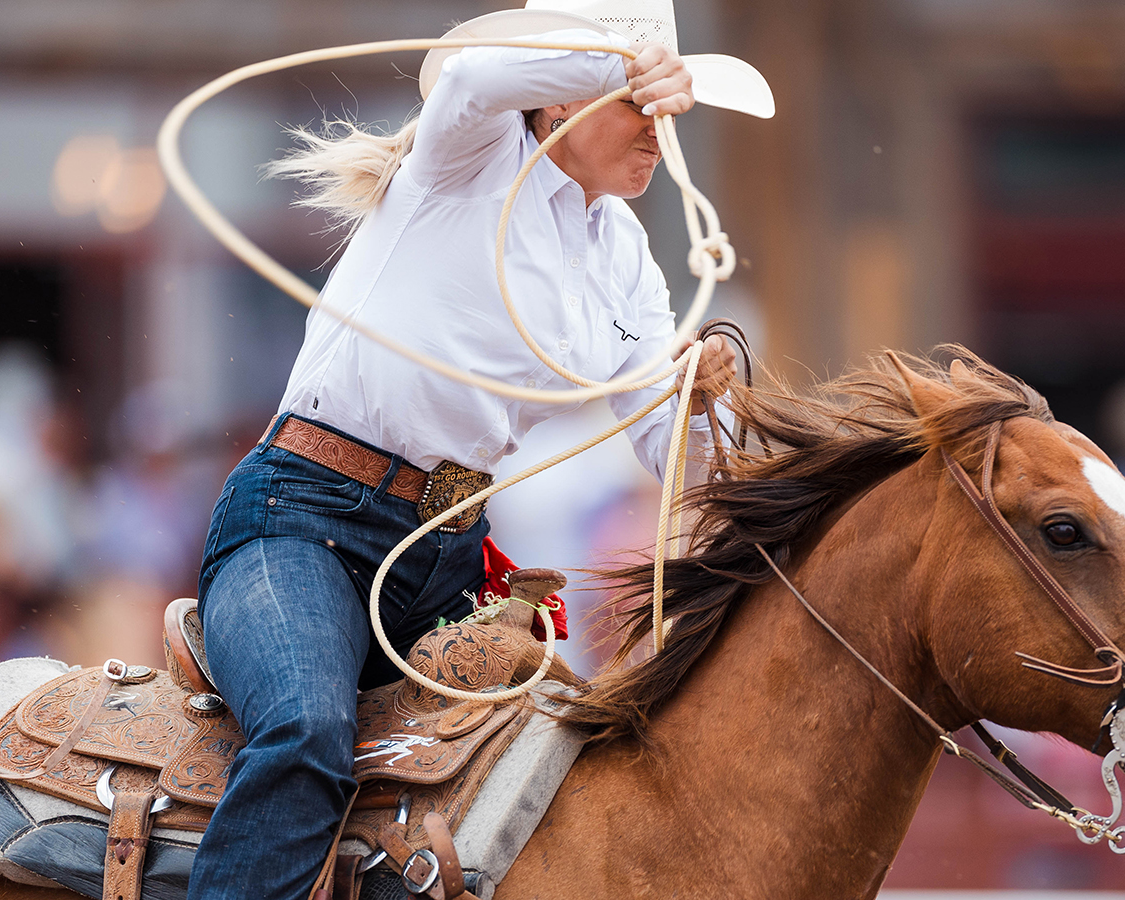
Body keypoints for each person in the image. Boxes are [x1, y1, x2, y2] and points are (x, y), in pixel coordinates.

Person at [187, 2, 773, 897]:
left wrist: (701, 403)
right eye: (635, 102)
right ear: (557, 105)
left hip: (445, 546)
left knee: (550, 766)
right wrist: (611, 63)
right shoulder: (471, 157)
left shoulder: (626, 257)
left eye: (665, 104)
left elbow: (674, 458)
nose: (661, 127)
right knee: (305, 733)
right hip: (304, 515)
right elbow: (467, 77)